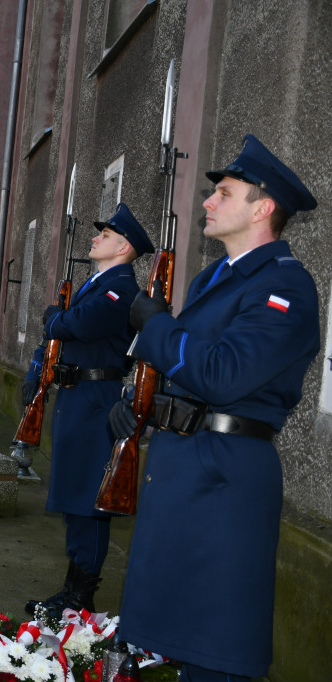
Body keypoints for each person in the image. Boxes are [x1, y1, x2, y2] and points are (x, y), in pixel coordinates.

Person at [110, 135, 319, 682]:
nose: (208, 202)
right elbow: (186, 375)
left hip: (223, 476)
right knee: (179, 636)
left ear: (263, 207)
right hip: (186, 468)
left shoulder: (284, 285)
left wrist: (156, 325)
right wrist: (141, 407)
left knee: (214, 648)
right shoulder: (218, 278)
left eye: (224, 192)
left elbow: (222, 376)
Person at [21, 203, 154, 618]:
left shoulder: (122, 289)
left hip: (97, 400)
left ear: (123, 248)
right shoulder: (97, 282)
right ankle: (72, 593)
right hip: (78, 398)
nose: (95, 238)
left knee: (90, 503)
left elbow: (74, 325)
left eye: (106, 235)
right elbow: (62, 326)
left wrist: (55, 318)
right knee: (75, 499)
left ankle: (80, 597)